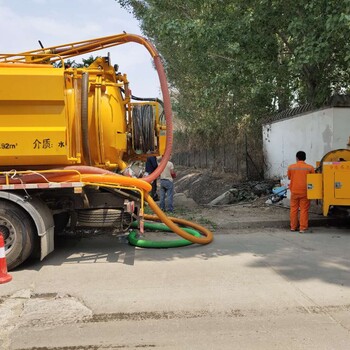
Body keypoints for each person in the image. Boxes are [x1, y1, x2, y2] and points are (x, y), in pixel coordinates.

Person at [287, 151, 315, 233]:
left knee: (293, 209)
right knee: (304, 210)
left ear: (297, 158)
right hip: (305, 191)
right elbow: (313, 180)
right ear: (305, 158)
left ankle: (293, 227)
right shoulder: (310, 168)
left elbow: (289, 177)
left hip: (294, 191)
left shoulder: (291, 167)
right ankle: (302, 228)